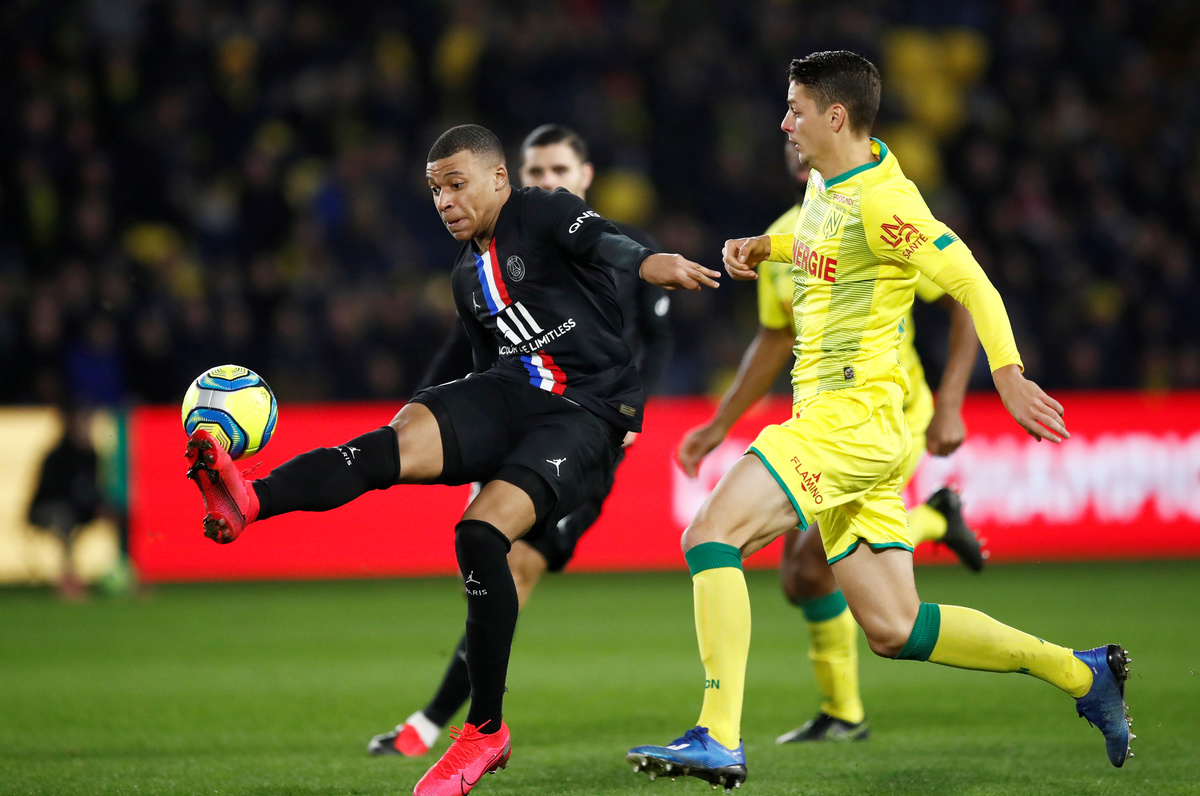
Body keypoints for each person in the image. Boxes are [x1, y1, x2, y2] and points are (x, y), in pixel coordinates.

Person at [626, 51, 1131, 791]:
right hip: (857, 426)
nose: (784, 122)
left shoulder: (886, 203)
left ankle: (718, 736)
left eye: (795, 109)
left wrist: (1009, 374)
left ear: (835, 116)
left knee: (710, 534)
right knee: (896, 628)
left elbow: (972, 281)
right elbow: (824, 250)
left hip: (849, 420)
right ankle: (1083, 675)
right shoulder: (828, 184)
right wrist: (767, 248)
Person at [184, 123, 718, 795]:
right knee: (394, 438)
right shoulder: (466, 275)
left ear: (500, 178)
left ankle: (483, 731)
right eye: (436, 190)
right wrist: (449, 427)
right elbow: (483, 368)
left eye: (457, 185)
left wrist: (648, 261)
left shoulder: (542, 209)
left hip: (587, 412)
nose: (444, 201)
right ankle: (251, 497)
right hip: (513, 390)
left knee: (480, 534)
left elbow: (604, 241)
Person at [367, 124, 673, 758]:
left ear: (584, 177)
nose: (545, 181)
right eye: (536, 171)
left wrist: (630, 417)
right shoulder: (501, 254)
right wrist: (418, 416)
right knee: (491, 567)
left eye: (558, 170)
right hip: (523, 417)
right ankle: (459, 723)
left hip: (588, 429)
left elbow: (657, 341)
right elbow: (467, 352)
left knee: (515, 565)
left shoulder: (619, 248)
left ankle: (438, 722)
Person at [675, 142, 984, 744]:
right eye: (789, 134)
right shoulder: (781, 238)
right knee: (801, 578)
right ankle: (935, 521)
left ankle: (841, 713)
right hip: (828, 423)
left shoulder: (879, 217)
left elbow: (964, 300)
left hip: (890, 416)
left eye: (803, 123)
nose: (796, 140)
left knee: (810, 565)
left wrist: (950, 402)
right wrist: (718, 425)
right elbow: (773, 341)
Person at [28, 402, 103, 600]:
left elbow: (94, 489)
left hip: (79, 509)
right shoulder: (57, 456)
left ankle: (129, 569)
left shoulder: (91, 456)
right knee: (64, 520)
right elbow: (52, 494)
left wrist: (101, 506)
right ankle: (68, 578)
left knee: (120, 514)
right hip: (47, 510)